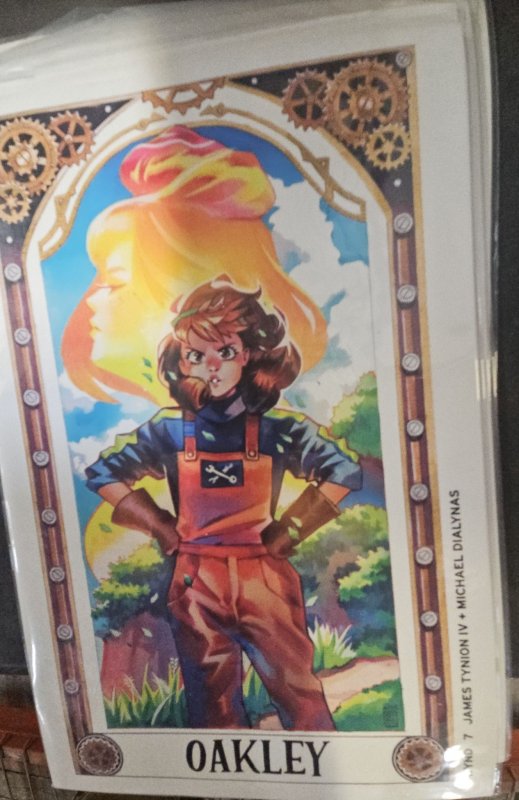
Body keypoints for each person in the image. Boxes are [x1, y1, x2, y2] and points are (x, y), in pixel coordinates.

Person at [86, 277, 362, 730]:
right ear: (181, 360)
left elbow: (344, 472)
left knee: (298, 691)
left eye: (225, 352)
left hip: (264, 577)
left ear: (249, 354)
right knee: (211, 703)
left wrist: (291, 530)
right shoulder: (168, 431)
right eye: (195, 355)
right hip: (194, 580)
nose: (211, 367)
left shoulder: (279, 429)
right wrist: (159, 525)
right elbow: (103, 474)